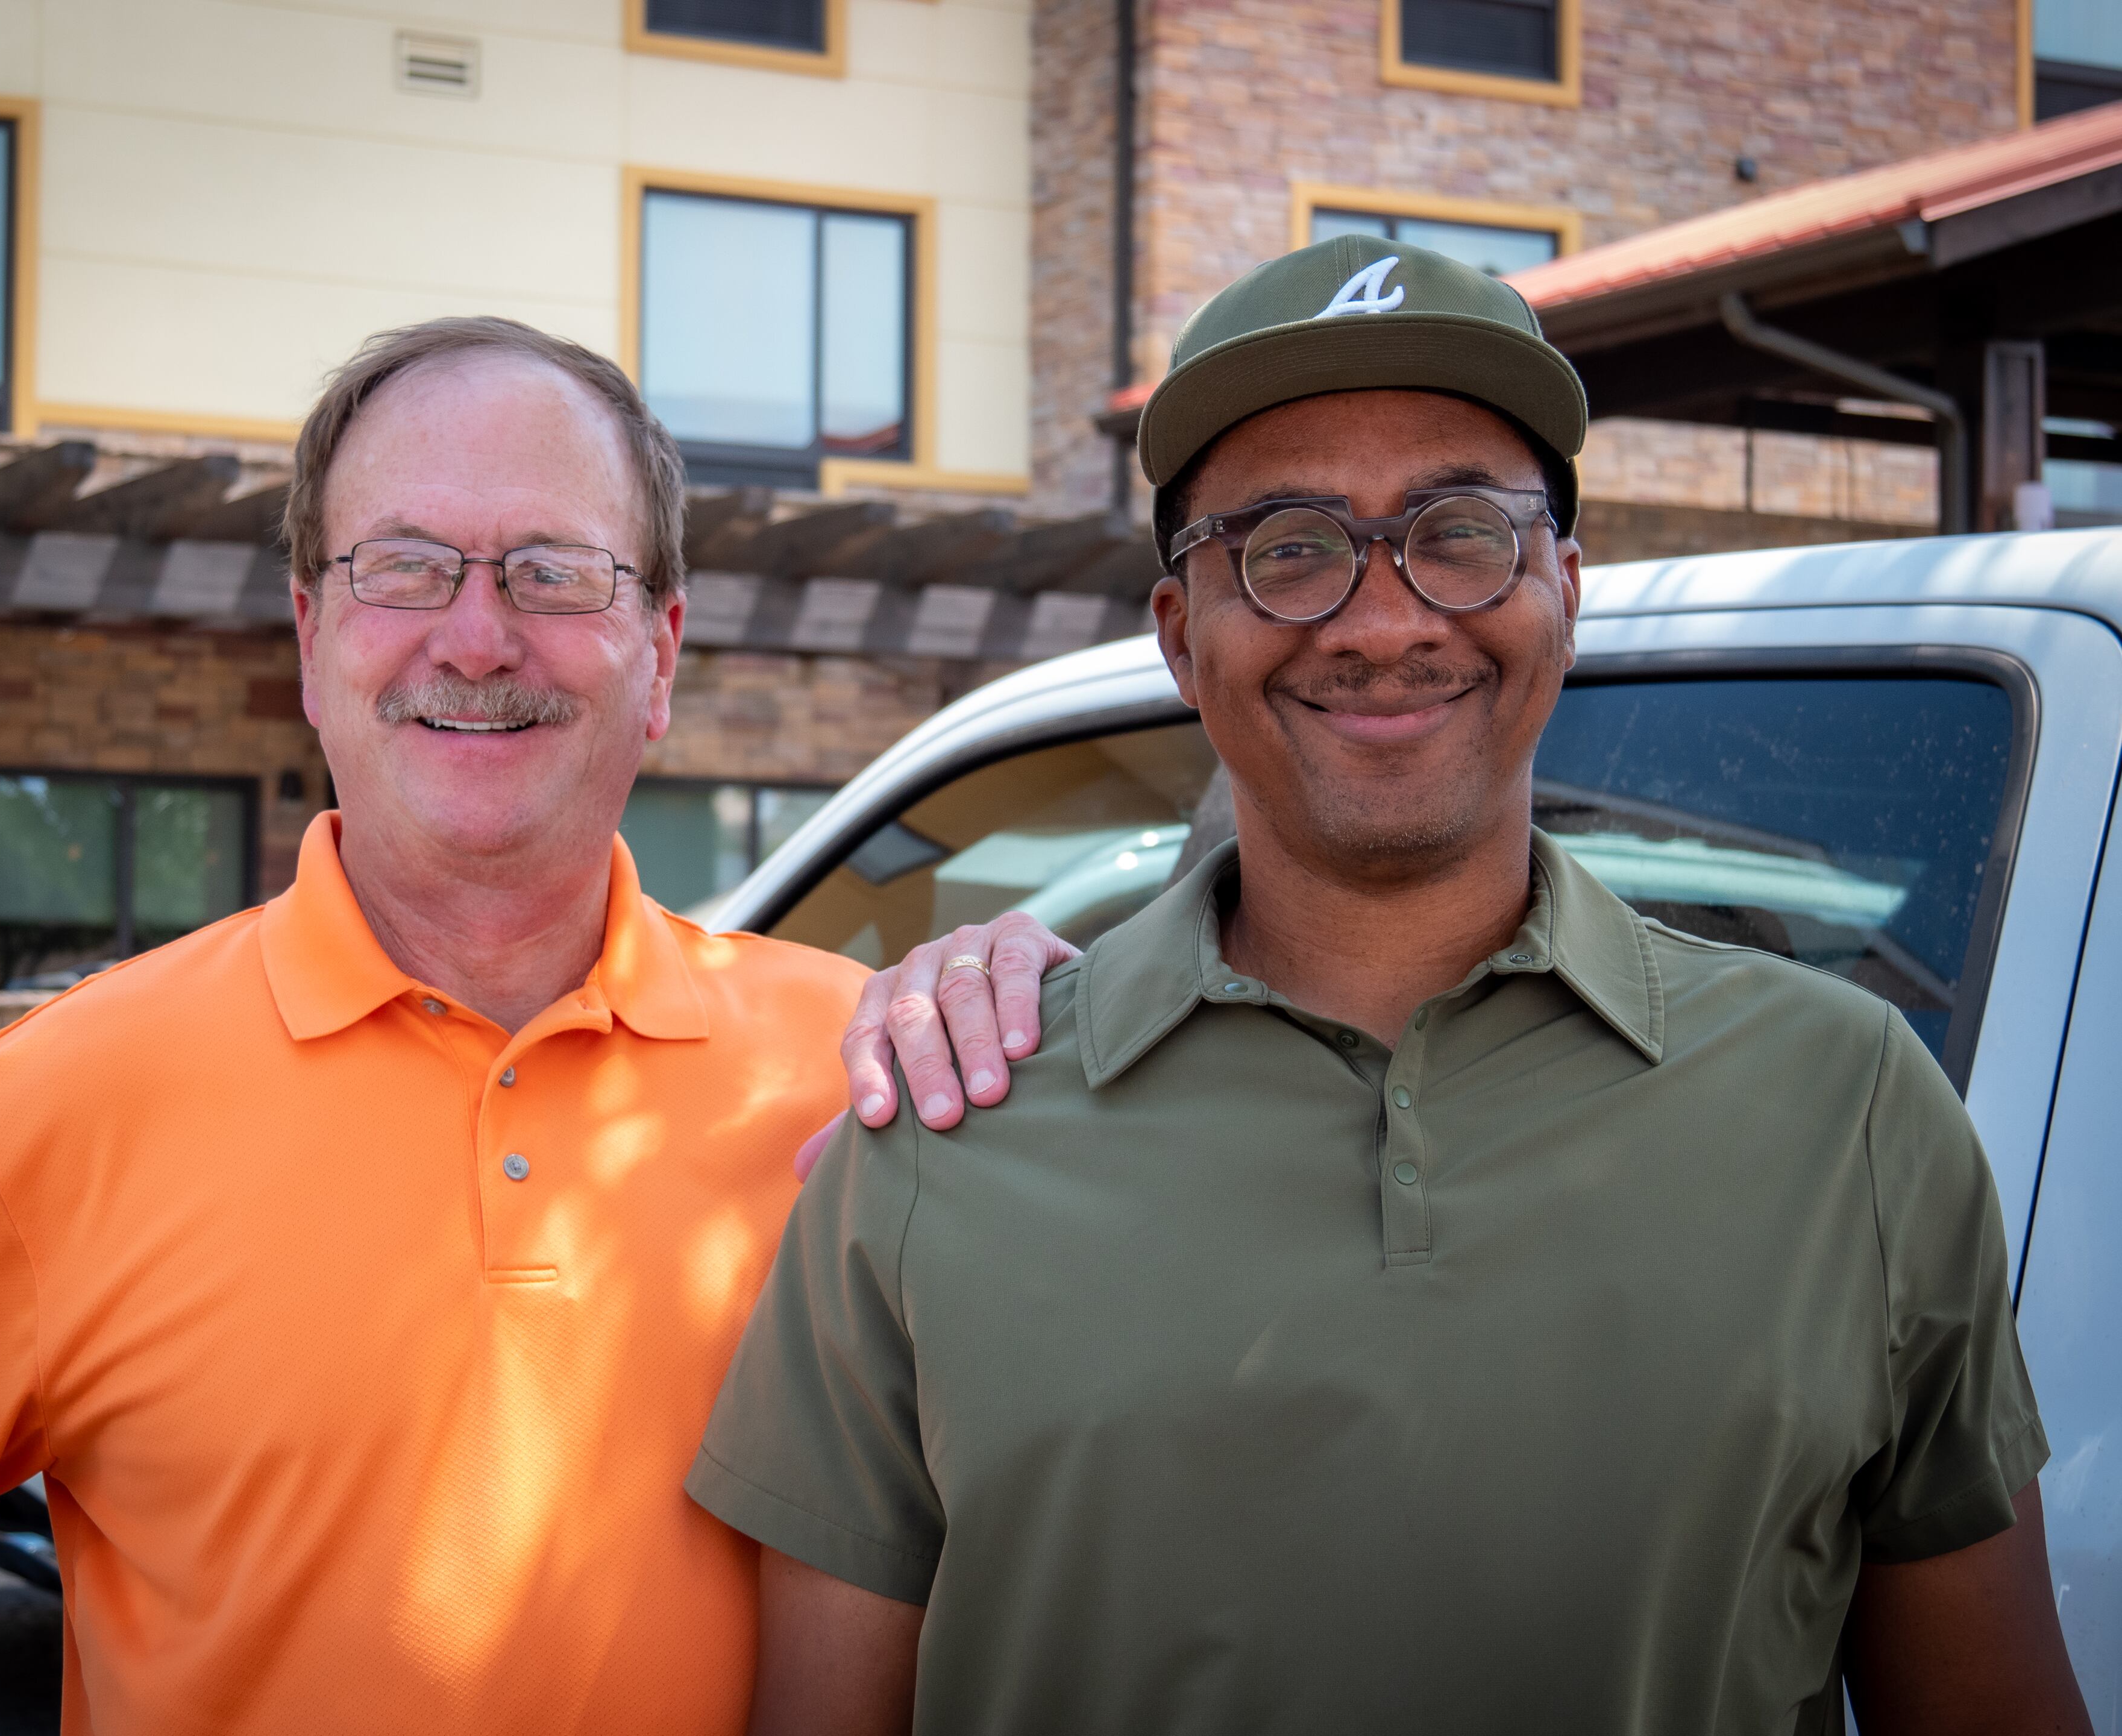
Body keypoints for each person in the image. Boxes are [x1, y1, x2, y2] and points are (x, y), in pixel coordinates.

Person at [689, 237, 2094, 1734]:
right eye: (1287, 545)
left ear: (1565, 585)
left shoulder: (1856, 1107)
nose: (1383, 621)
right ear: (1180, 635)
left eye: (1463, 530)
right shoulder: (934, 1138)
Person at [0, 316, 1054, 1735]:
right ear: (310, 632)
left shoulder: (872, 1076)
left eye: (552, 571)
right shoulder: (43, 1109)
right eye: (404, 567)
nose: (476, 639)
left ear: (660, 654)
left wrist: (1063, 1027)